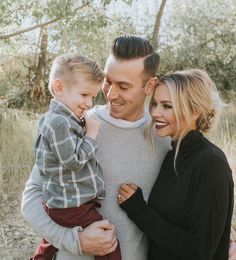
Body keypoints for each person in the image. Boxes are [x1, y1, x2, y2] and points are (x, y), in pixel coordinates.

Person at [21, 35, 171, 260]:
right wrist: (75, 241)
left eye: (123, 86)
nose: (110, 94)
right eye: (108, 82)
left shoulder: (164, 137)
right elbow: (31, 198)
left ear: (149, 85)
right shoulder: (76, 124)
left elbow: (191, 200)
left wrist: (226, 239)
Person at [118, 69, 234, 260]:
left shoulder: (211, 163)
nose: (155, 113)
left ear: (195, 111)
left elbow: (199, 250)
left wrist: (139, 211)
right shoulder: (172, 155)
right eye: (154, 104)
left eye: (167, 106)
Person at [30, 53, 121, 260]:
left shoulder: (60, 119)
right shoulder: (60, 123)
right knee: (108, 243)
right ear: (60, 88)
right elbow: (74, 161)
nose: (89, 103)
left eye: (92, 97)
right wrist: (91, 135)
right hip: (70, 204)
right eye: (84, 95)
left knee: (50, 242)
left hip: (61, 202)